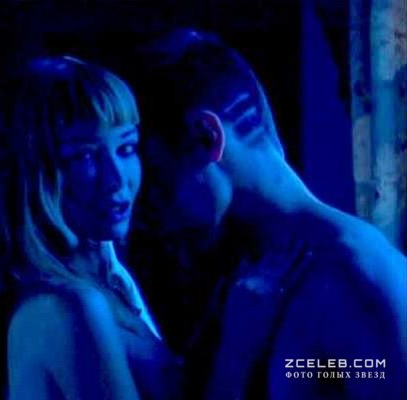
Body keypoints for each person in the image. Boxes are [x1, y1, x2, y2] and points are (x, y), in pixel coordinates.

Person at [125, 30, 406, 399]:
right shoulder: (242, 276)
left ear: (207, 136)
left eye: (157, 186)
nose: (147, 216)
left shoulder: (355, 273)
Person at [0, 56, 181, 399]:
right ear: (31, 173)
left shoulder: (110, 279)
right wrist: (239, 351)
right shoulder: (68, 306)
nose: (117, 178)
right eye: (84, 157)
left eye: (126, 148)